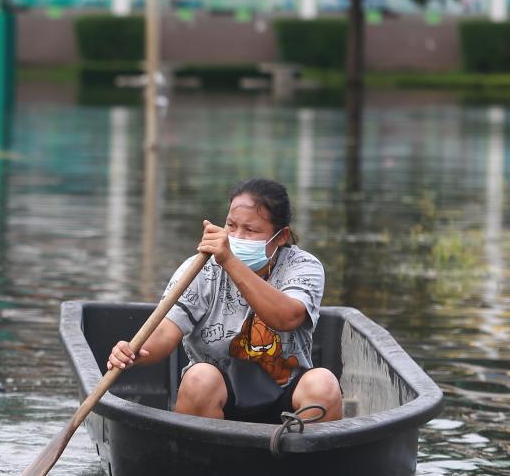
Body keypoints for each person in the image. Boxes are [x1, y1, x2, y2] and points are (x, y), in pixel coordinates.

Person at [106, 177, 343, 423]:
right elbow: (166, 331)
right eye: (231, 226)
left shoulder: (303, 267)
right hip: (217, 394)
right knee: (200, 379)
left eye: (250, 230)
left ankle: (305, 459)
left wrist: (230, 261)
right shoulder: (200, 269)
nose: (236, 237)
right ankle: (199, 457)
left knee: (323, 384)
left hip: (285, 394)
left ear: (281, 236)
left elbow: (288, 317)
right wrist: (133, 352)